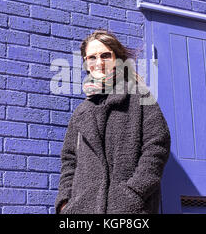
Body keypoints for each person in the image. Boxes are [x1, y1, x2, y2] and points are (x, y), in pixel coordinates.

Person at [54, 29, 171, 214]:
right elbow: (69, 160)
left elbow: (157, 147)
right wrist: (65, 204)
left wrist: (133, 194)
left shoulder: (139, 97)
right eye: (91, 57)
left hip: (129, 210)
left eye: (105, 55)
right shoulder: (81, 111)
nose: (99, 63)